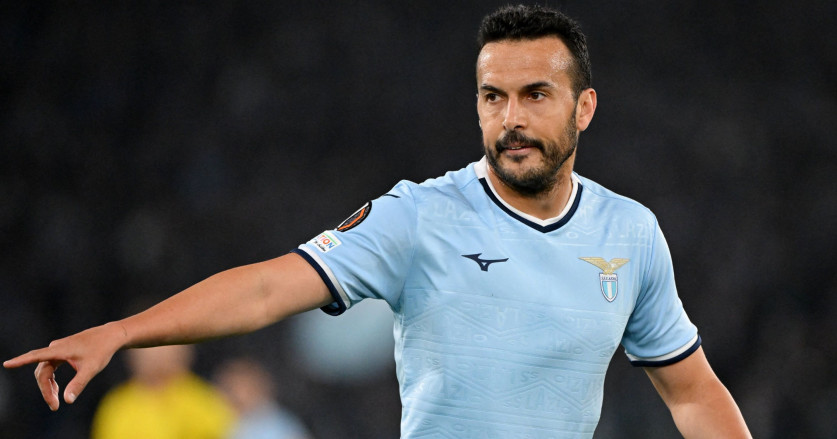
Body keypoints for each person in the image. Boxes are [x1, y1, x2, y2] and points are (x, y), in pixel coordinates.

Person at [4, 5, 751, 438]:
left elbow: (691, 392)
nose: (510, 119)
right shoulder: (419, 216)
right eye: (493, 97)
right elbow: (267, 289)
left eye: (535, 95)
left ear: (583, 107)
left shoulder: (630, 234)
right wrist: (121, 331)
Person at [90, 345, 235, 439]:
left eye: (162, 346)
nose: (156, 355)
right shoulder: (117, 405)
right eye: (146, 347)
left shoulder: (204, 400)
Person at [213, 357, 312, 439]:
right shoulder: (228, 422)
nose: (233, 395)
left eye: (240, 387)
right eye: (228, 388)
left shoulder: (279, 426)